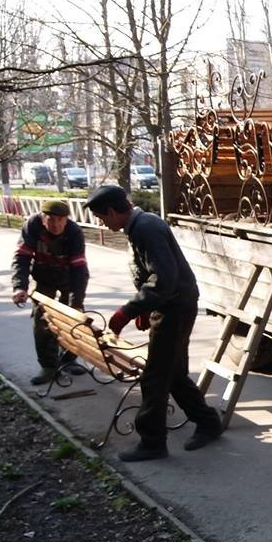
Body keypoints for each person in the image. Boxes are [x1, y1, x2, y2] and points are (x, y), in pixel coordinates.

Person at [84, 184, 222, 461]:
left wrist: (127, 311)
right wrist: (146, 307)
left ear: (112, 211)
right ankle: (208, 422)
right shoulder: (141, 226)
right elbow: (156, 276)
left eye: (102, 218)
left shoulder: (147, 227)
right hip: (172, 304)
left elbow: (164, 279)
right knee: (173, 373)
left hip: (175, 309)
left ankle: (152, 443)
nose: (103, 223)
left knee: (155, 377)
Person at [11, 199, 90, 385]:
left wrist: (76, 302)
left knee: (74, 319)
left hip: (68, 277)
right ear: (42, 217)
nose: (55, 225)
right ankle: (48, 366)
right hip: (44, 277)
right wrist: (19, 287)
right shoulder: (32, 226)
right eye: (50, 220)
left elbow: (79, 270)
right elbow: (21, 258)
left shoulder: (74, 233)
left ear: (67, 220)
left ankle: (68, 360)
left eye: (60, 220)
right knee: (42, 321)